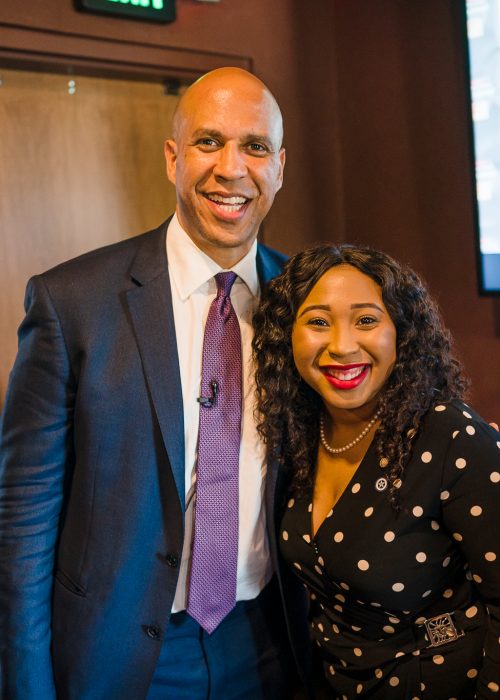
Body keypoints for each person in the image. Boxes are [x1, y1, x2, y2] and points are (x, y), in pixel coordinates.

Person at [0, 68, 310, 699]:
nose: (232, 169)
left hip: (270, 645)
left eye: (254, 148)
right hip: (122, 654)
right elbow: (21, 526)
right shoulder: (72, 304)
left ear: (278, 166)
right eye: (208, 142)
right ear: (173, 157)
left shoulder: (308, 302)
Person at [253, 243, 500, 699]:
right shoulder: (297, 433)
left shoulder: (449, 435)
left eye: (366, 320)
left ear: (400, 333)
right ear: (287, 335)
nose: (342, 346)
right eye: (318, 322)